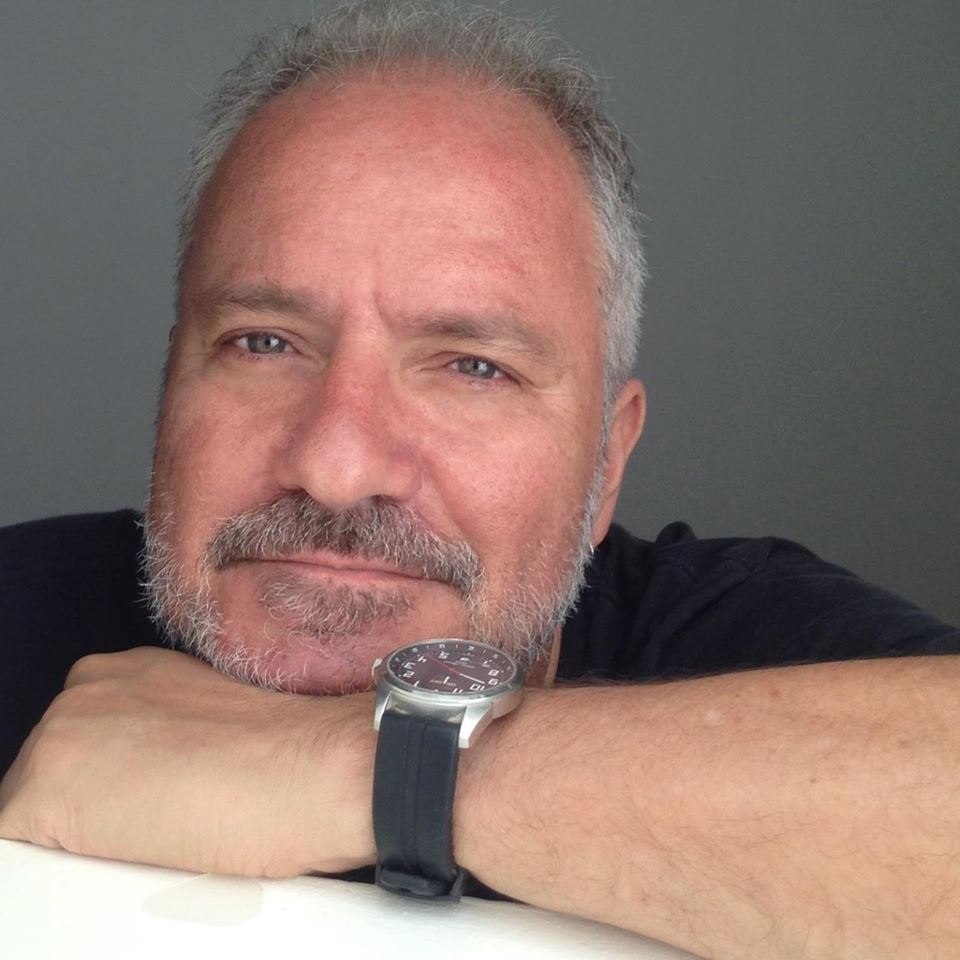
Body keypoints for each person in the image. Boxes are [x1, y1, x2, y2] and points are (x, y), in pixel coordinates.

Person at [1, 1, 958, 956]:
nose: (337, 468)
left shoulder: (764, 656)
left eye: (473, 367)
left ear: (607, 462)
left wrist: (348, 766)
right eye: (264, 343)